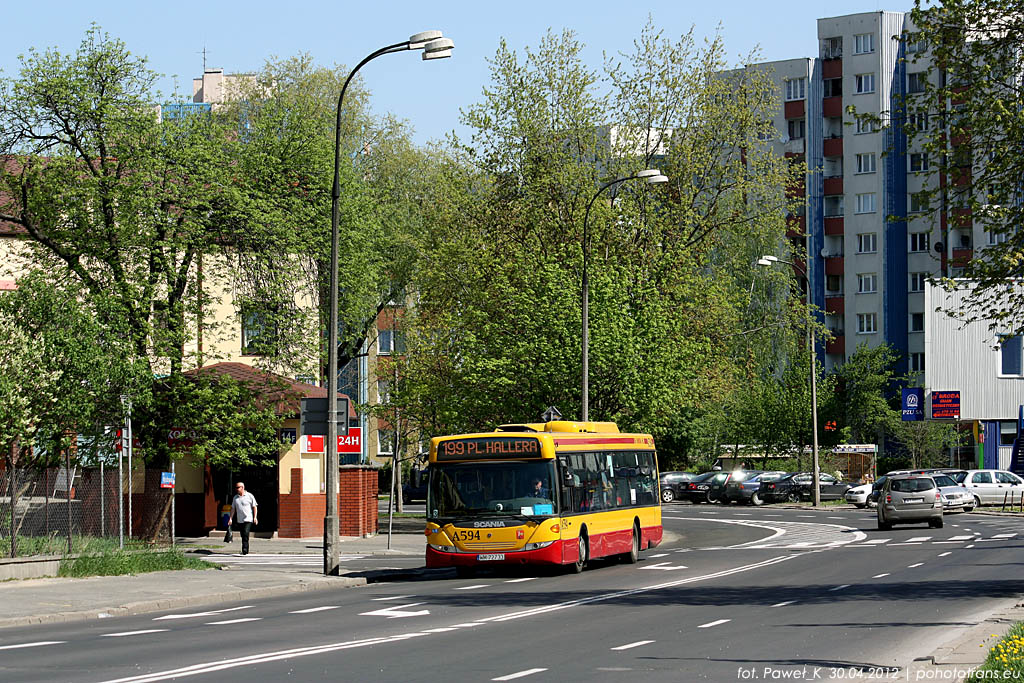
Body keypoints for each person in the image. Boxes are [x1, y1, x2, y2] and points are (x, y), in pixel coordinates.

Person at [229, 481, 258, 555]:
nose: (237, 489)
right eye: (236, 487)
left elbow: (254, 507)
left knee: (245, 533)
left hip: (248, 518)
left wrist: (255, 517)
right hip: (240, 519)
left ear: (242, 487)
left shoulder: (249, 496)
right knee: (243, 534)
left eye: (238, 487)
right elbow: (233, 509)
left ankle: (245, 549)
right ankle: (245, 548)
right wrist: (230, 518)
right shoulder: (235, 498)